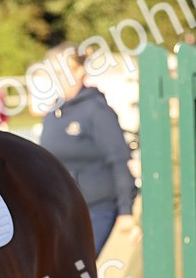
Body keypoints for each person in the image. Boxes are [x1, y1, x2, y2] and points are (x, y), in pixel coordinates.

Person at [39, 42, 136, 255]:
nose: (57, 77)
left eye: (62, 71)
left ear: (80, 70)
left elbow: (119, 160)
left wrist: (126, 211)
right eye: (53, 72)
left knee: (77, 271)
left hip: (97, 209)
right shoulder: (53, 112)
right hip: (61, 208)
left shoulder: (97, 110)